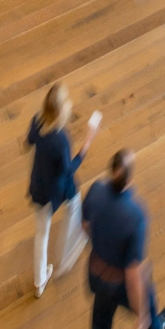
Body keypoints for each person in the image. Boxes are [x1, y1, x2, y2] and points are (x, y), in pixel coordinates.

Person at [83, 149, 165, 329]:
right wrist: (141, 318)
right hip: (119, 283)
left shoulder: (95, 189)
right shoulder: (136, 216)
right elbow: (133, 276)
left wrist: (102, 242)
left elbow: (85, 225)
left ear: (111, 170)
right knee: (147, 301)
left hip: (96, 275)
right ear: (130, 179)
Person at [28, 82, 99, 299]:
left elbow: (30, 139)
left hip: (39, 187)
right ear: (60, 111)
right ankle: (70, 252)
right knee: (75, 203)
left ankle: (39, 281)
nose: (70, 103)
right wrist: (87, 143)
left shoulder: (37, 121)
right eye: (66, 101)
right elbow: (67, 170)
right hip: (57, 189)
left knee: (42, 233)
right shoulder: (60, 140)